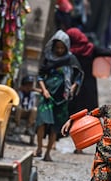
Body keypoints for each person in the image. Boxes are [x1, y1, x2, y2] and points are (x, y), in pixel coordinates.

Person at [34, 30, 83, 161]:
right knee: (42, 122)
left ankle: (48, 153)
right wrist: (44, 90)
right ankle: (39, 148)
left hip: (62, 98)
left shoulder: (71, 59)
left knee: (55, 127)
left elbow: (78, 76)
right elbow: (40, 76)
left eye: (62, 48)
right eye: (57, 48)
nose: (60, 50)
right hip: (47, 95)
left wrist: (73, 86)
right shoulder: (48, 58)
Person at [65, 27, 111, 153]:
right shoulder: (90, 49)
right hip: (88, 86)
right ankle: (85, 145)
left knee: (73, 114)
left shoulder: (69, 51)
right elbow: (110, 52)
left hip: (73, 85)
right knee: (88, 115)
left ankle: (62, 143)